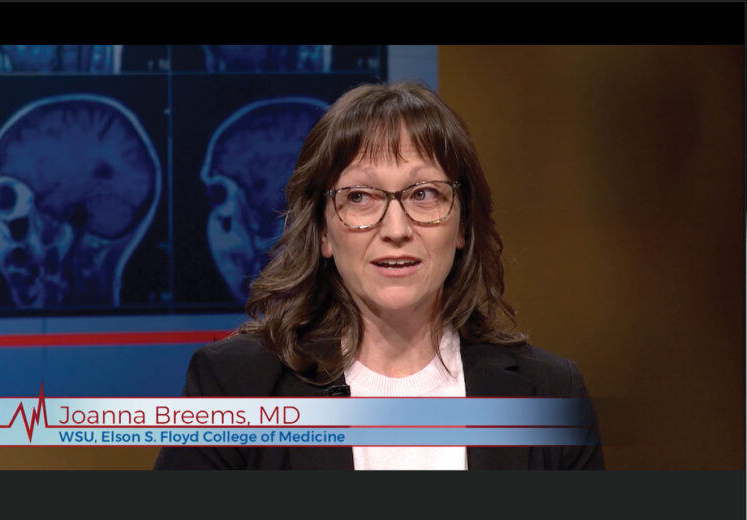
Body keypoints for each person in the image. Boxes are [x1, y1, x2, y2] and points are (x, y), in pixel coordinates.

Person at [154, 81, 605, 470]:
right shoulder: (236, 388)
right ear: (324, 233)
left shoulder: (548, 393)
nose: (396, 229)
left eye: (424, 194)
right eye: (360, 198)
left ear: (463, 224)